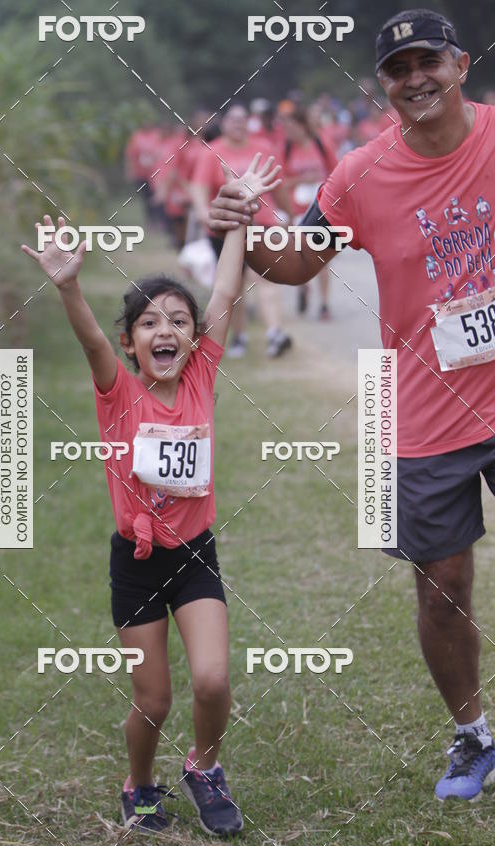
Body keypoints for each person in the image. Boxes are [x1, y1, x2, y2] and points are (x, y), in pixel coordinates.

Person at [209, 9, 495, 802]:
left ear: (461, 64)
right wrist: (247, 224)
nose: (416, 78)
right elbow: (298, 262)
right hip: (430, 413)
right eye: (399, 69)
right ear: (383, 87)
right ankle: (472, 737)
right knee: (442, 584)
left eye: (428, 61)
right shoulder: (362, 174)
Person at [21, 156, 281, 833]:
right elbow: (86, 339)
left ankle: (205, 767)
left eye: (178, 322)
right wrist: (68, 286)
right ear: (131, 344)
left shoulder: (199, 380)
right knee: (155, 699)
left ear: (196, 339)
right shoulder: (120, 394)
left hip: (195, 554)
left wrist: (241, 220)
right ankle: (138, 783)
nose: (164, 331)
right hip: (135, 563)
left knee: (214, 682)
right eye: (148, 324)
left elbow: (226, 291)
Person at [192, 104, 293, 359]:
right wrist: (206, 215)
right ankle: (239, 336)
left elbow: (278, 185)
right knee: (233, 286)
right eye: (232, 120)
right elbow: (198, 190)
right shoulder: (211, 153)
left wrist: (288, 214)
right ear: (224, 124)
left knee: (266, 278)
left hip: (263, 223)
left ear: (249, 123)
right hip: (227, 227)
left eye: (242, 120)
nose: (238, 124)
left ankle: (274, 333)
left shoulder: (265, 148)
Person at [280, 107, 338, 319]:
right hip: (296, 211)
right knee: (299, 257)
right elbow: (280, 182)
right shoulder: (285, 149)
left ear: (303, 126)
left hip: (321, 208)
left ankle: (324, 304)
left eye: (292, 127)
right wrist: (300, 180)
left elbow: (338, 173)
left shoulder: (321, 145)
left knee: (323, 259)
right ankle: (303, 287)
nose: (288, 132)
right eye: (286, 128)